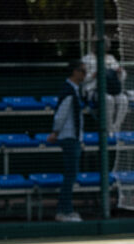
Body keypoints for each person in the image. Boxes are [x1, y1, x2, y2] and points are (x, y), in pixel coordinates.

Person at [48, 59, 87, 222]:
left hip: (73, 137)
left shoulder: (75, 90)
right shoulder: (69, 90)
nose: (85, 75)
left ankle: (65, 210)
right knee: (70, 176)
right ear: (75, 72)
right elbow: (61, 114)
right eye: (83, 71)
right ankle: (64, 211)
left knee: (71, 175)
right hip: (69, 137)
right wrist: (55, 132)